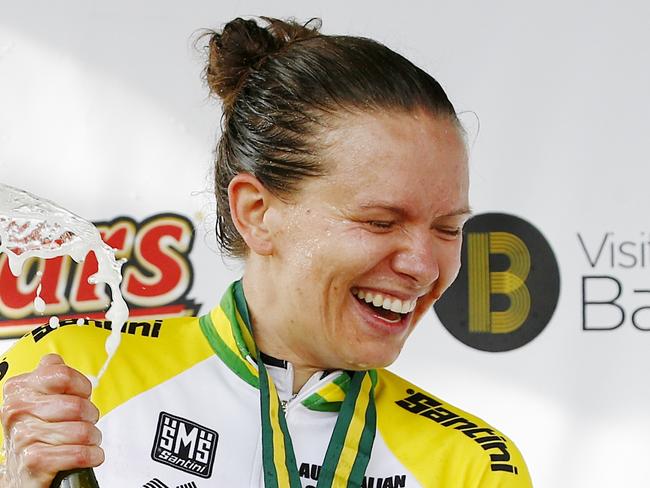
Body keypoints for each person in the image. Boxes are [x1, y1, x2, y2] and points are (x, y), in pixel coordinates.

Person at [0, 17, 532, 488]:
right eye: (380, 222)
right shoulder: (67, 380)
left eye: (446, 228)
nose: (421, 265)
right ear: (256, 212)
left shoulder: (472, 467)